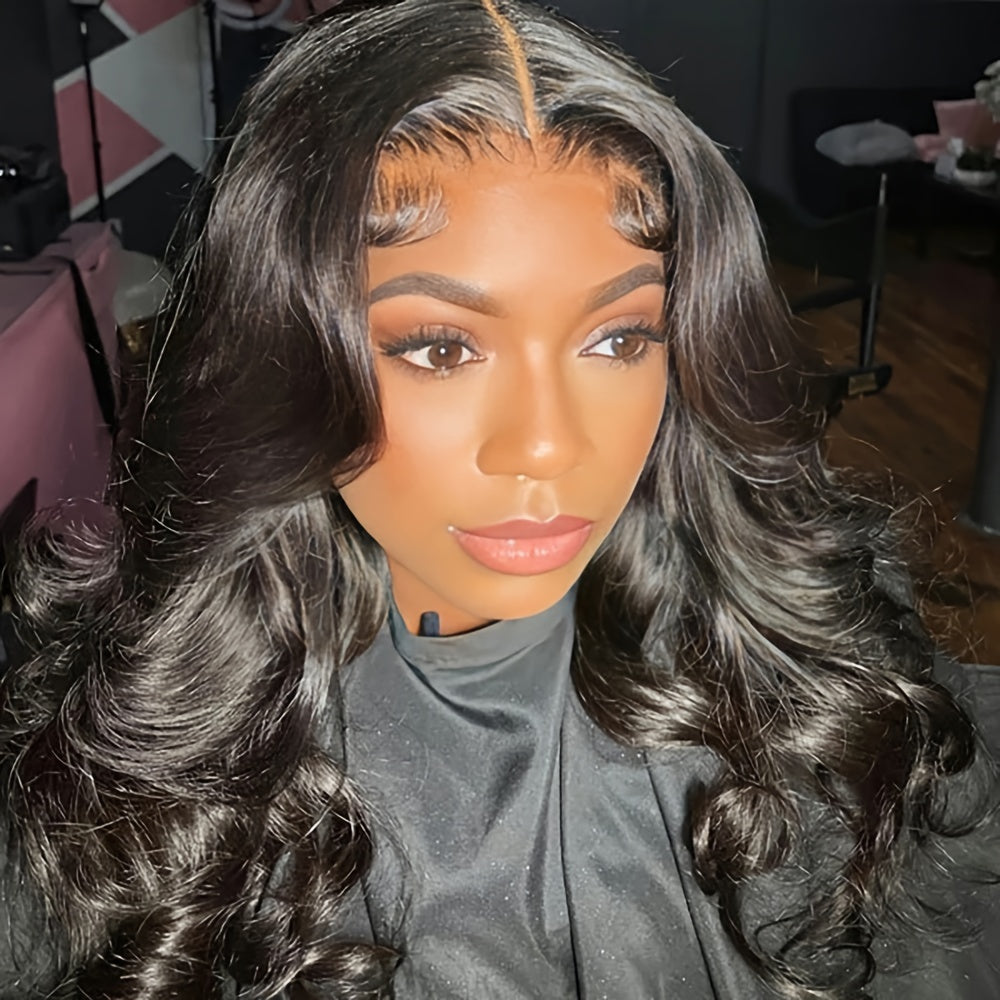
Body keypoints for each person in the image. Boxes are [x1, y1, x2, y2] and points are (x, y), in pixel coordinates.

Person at [2, 1, 998, 997]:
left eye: (618, 338)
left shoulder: (833, 704)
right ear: (285, 357)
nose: (548, 444)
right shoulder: (107, 792)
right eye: (441, 348)